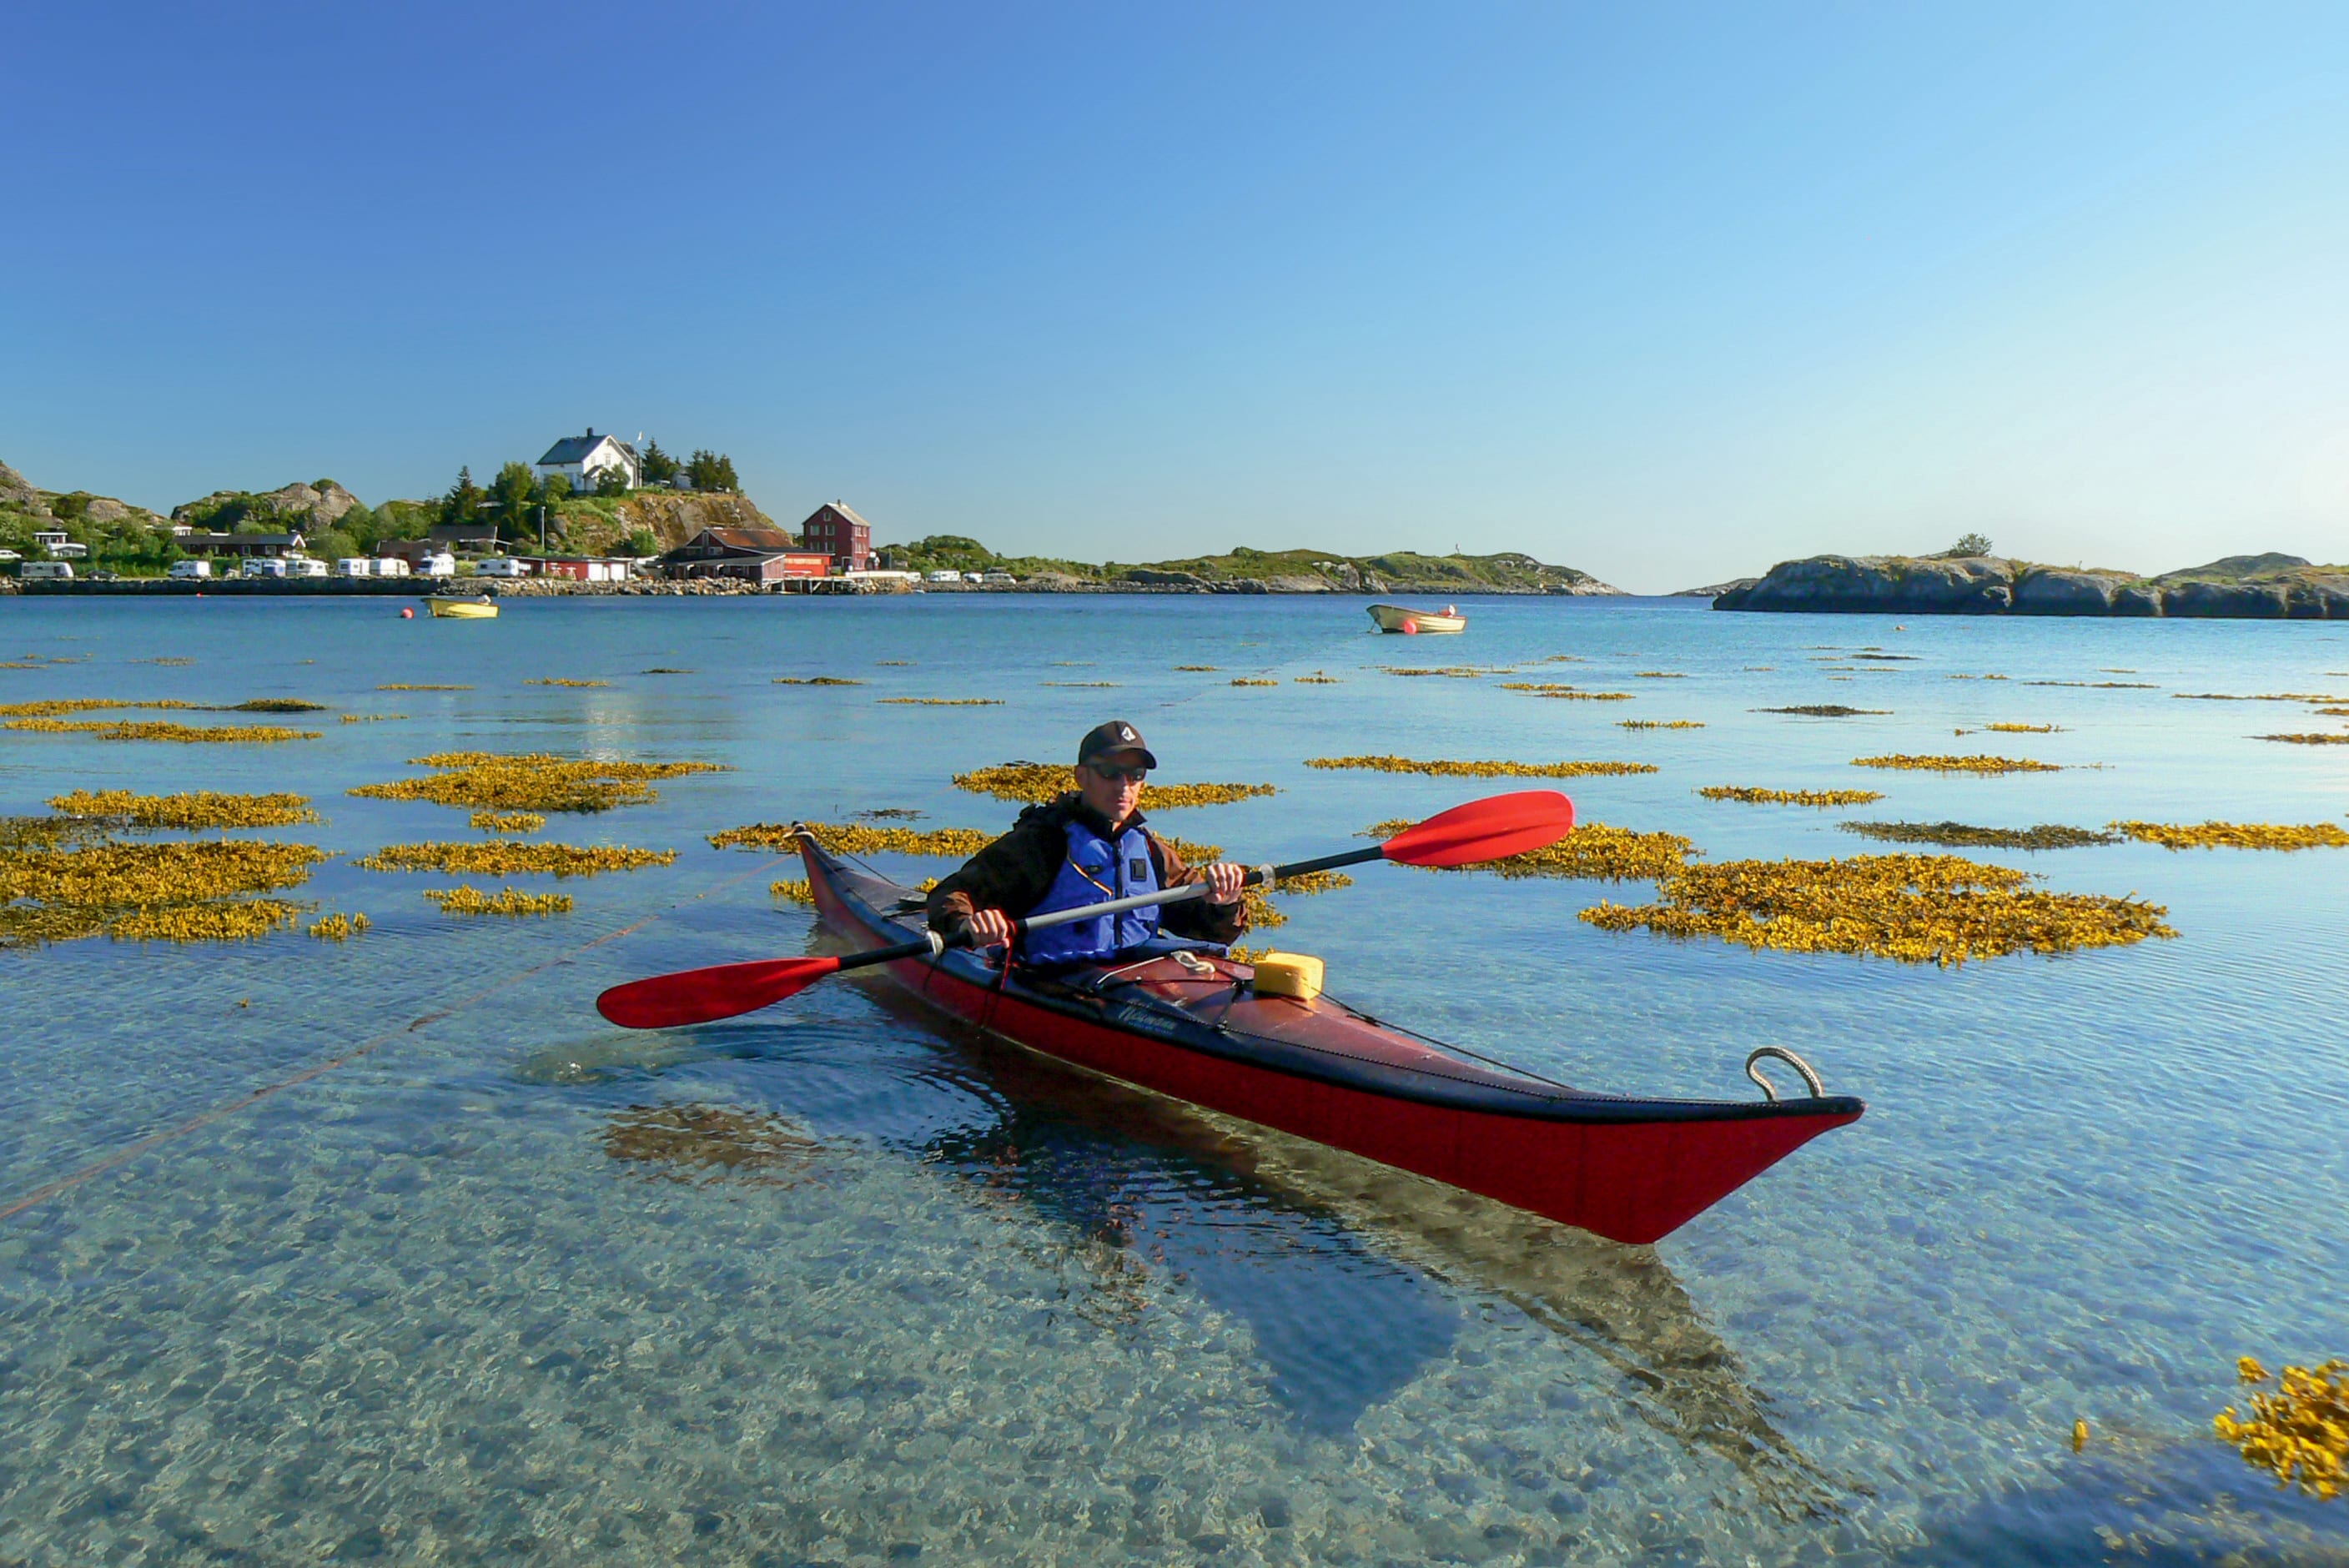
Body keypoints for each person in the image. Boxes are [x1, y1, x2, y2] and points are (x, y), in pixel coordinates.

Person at [926, 721, 1249, 963]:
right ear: (1082, 776)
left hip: (1137, 984)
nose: (1124, 786)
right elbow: (950, 894)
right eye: (1110, 772)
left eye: (1135, 774)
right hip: (1058, 983)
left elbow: (1209, 930)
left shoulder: (1150, 850)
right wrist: (970, 922)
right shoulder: (1042, 843)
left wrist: (1224, 902)